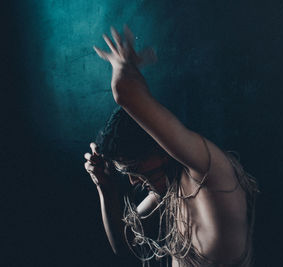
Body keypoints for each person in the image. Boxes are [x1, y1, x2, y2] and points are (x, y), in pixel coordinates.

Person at [84, 25, 259, 266]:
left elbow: (125, 94)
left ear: (161, 147)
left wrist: (123, 66)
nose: (134, 181)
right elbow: (123, 245)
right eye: (129, 173)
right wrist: (104, 187)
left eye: (136, 168)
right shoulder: (169, 186)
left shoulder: (209, 173)